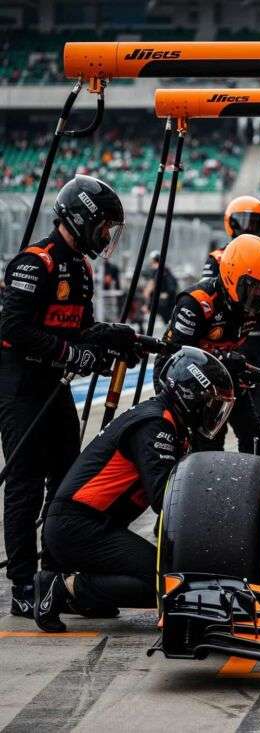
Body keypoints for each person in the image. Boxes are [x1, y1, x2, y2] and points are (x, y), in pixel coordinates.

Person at [0, 174, 136, 619]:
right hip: (20, 385)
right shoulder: (34, 262)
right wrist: (70, 353)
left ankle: (55, 578)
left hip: (54, 386)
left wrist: (111, 338)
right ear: (81, 218)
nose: (105, 236)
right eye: (104, 226)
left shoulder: (80, 268)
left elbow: (80, 329)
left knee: (66, 482)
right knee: (24, 484)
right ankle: (23, 584)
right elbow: (13, 328)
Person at [34, 347, 234, 632]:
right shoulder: (156, 424)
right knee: (168, 582)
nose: (213, 412)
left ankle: (84, 595)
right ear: (191, 395)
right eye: (211, 403)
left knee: (170, 574)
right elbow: (166, 499)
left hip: (90, 526)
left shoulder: (167, 420)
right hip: (77, 527)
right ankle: (62, 587)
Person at [157, 234, 260, 454]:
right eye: (256, 288)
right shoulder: (197, 302)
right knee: (208, 442)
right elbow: (172, 355)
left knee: (254, 438)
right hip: (184, 379)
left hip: (226, 372)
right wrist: (217, 359)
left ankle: (250, 473)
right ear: (233, 277)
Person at [203, 195, 260, 424]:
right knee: (218, 405)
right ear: (231, 223)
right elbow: (209, 300)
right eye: (244, 222)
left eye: (255, 223)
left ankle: (259, 444)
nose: (249, 228)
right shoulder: (217, 259)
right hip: (227, 343)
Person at [145, 253, 178, 325]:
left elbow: (150, 287)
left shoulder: (158, 271)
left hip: (163, 303)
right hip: (168, 302)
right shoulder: (166, 270)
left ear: (153, 260)